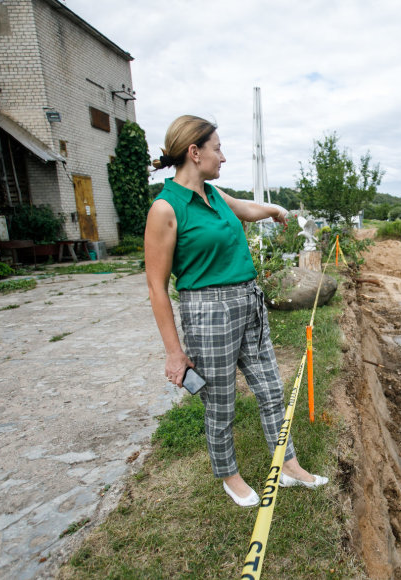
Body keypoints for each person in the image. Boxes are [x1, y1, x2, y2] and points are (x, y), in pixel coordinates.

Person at [144, 115, 327, 507]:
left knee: (271, 389)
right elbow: (157, 288)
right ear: (194, 152)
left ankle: (289, 464)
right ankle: (229, 475)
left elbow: (243, 208)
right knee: (221, 401)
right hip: (207, 311)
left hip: (248, 301)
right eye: (217, 148)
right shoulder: (166, 208)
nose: (222, 157)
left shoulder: (214, 194)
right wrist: (175, 352)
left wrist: (275, 209)